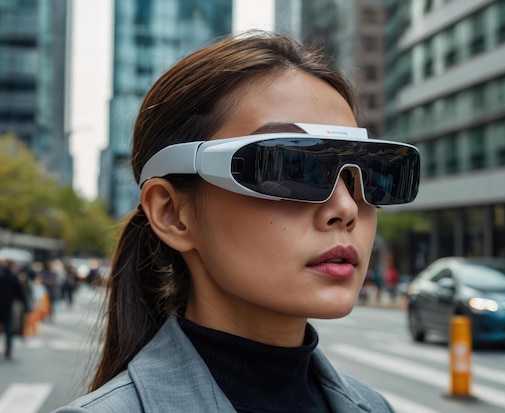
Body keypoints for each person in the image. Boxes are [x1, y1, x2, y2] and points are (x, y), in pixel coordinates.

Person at [52, 31, 419, 412]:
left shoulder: (375, 407)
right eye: (290, 168)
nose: (344, 207)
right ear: (171, 213)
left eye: (371, 172)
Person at [0, 259, 29, 360]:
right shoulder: (13, 278)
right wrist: (26, 305)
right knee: (8, 328)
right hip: (8, 307)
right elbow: (19, 293)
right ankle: (8, 348)